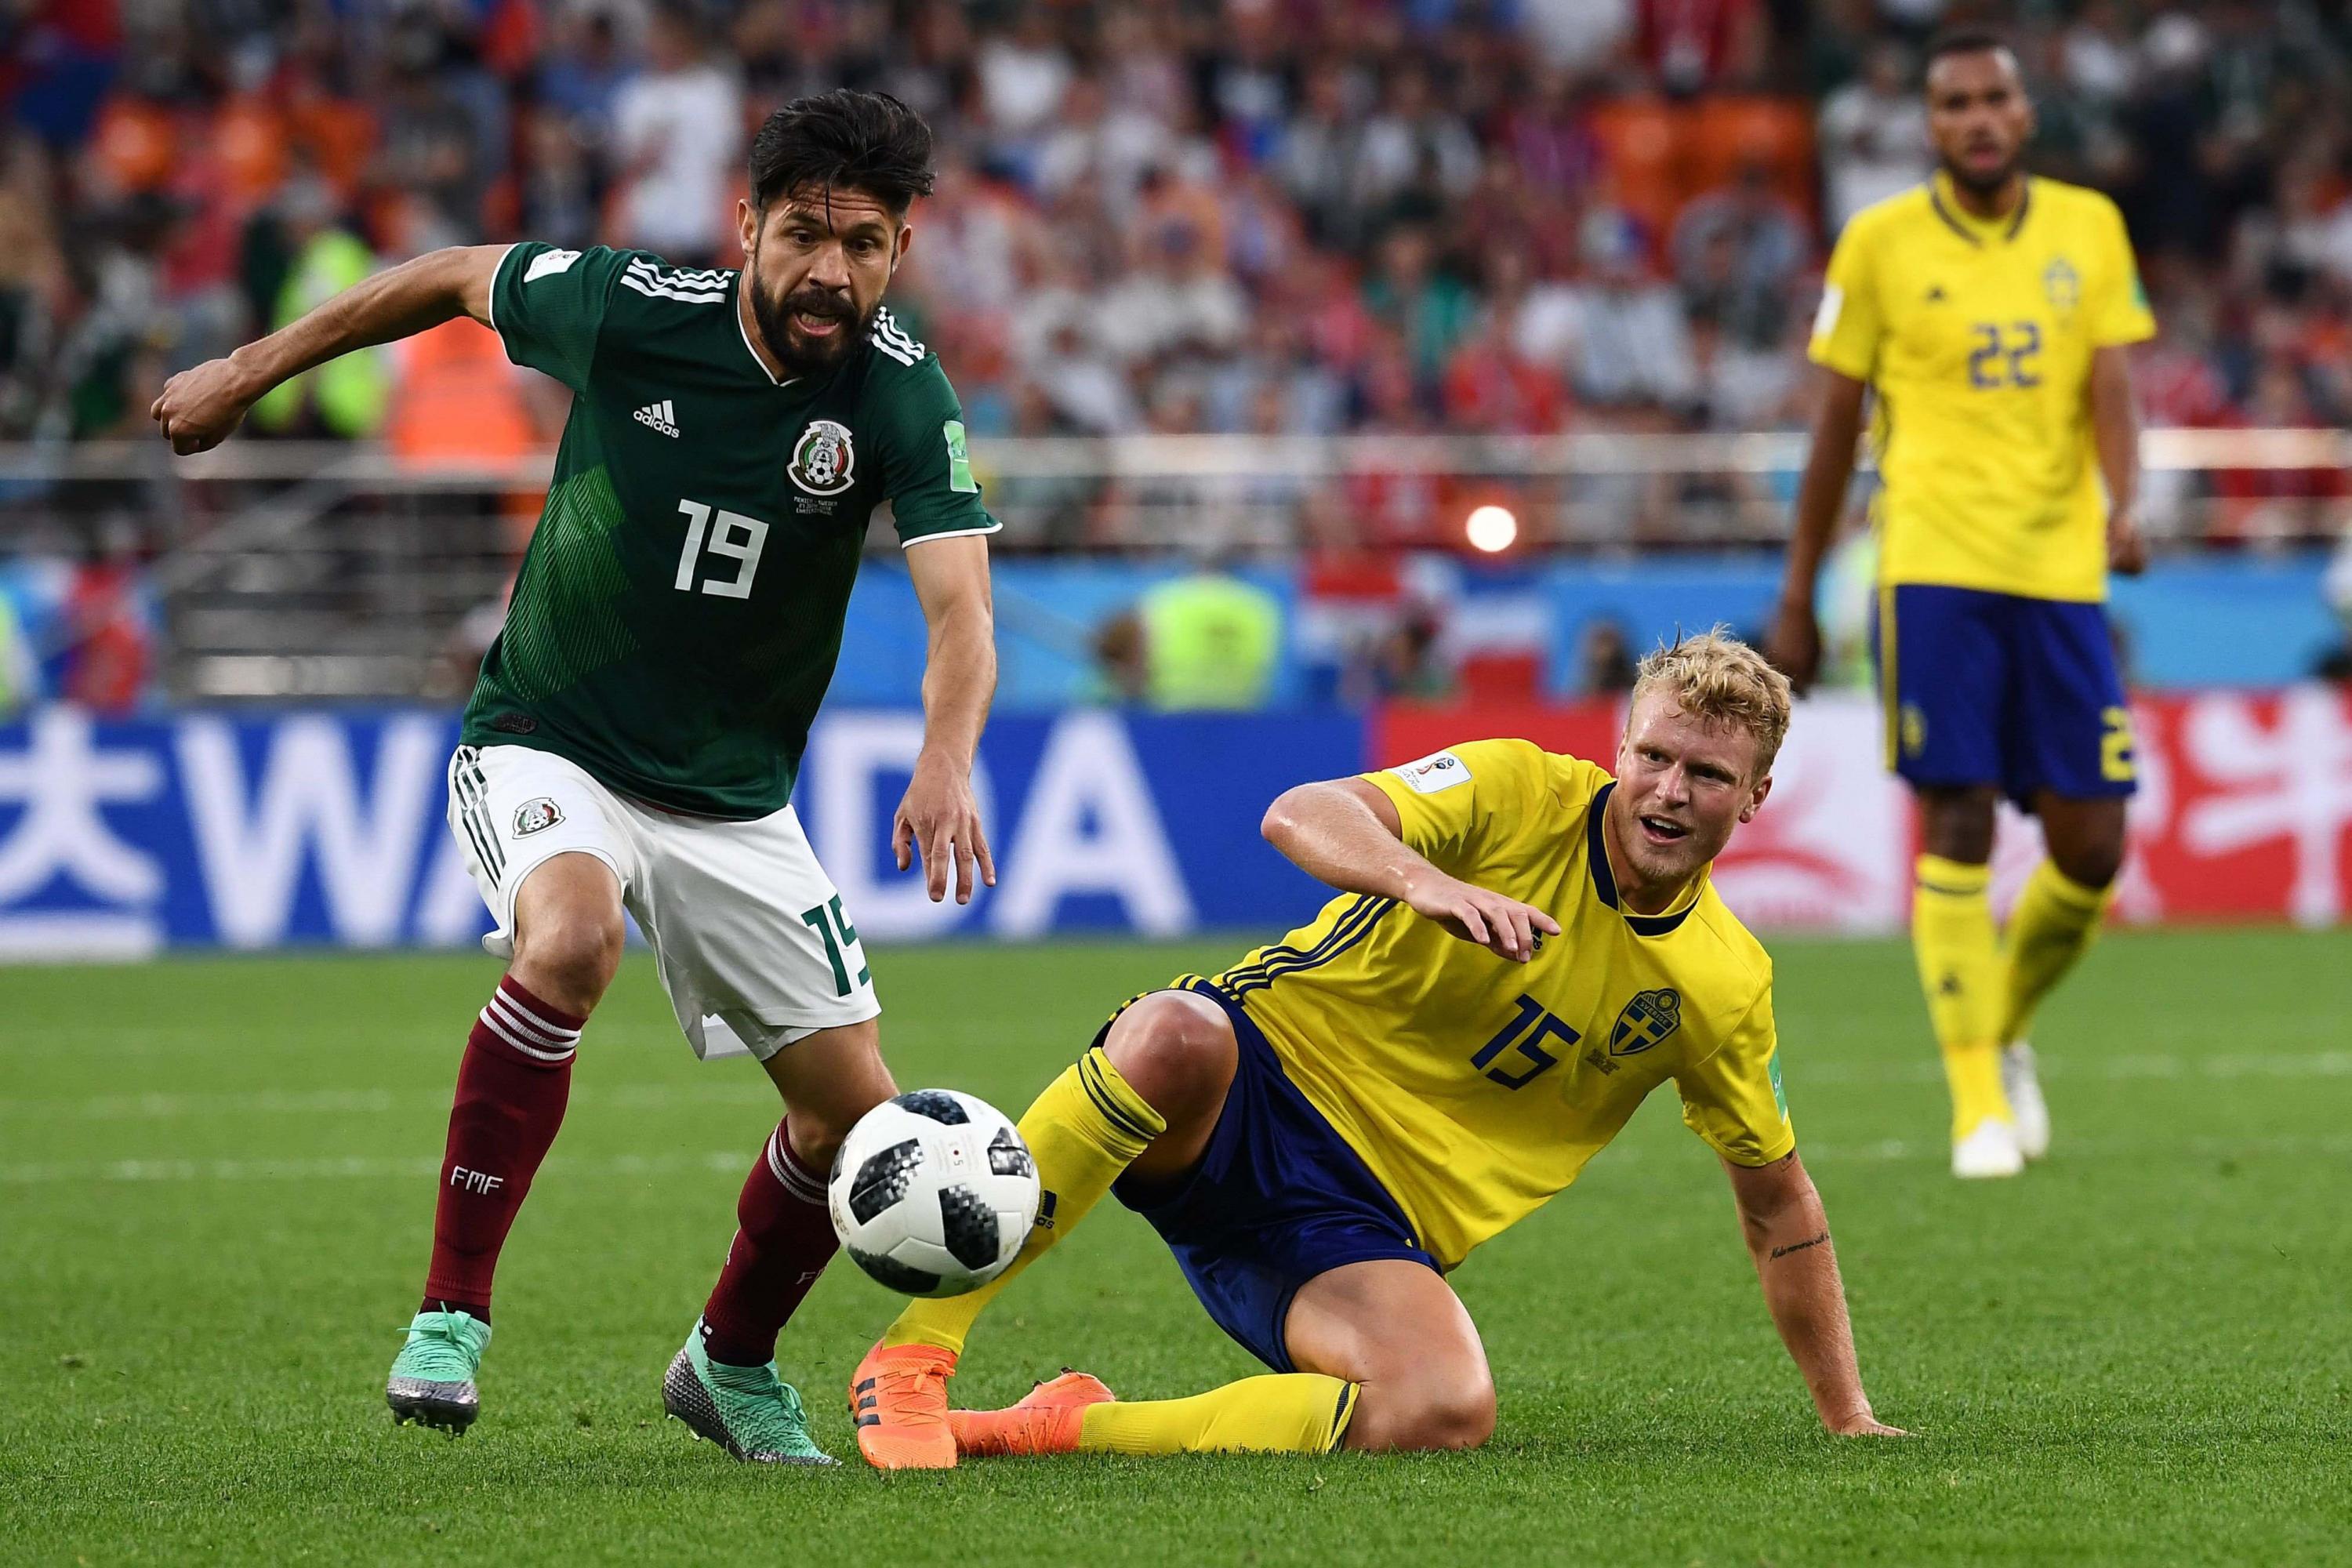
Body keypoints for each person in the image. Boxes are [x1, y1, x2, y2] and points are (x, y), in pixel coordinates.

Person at [151, 91, 1000, 1466]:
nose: (828, 273)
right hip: (552, 730)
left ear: (903, 246)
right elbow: (440, 279)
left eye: (862, 243)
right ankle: (450, 1318)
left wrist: (946, 756)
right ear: (747, 227)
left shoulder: (901, 389)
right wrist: (249, 371)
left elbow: (962, 612)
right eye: (801, 235)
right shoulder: (633, 305)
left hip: (730, 793)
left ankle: (726, 1366)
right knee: (570, 938)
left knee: (857, 1122)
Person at [848, 631, 1904, 1468]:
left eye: (1709, 776)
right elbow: (1300, 813)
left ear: (1756, 798)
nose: (1671, 792)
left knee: (1443, 1408)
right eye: (1657, 758)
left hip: (1354, 1225)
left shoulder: (1723, 984)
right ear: (1619, 750)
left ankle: (1042, 1429)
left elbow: (1780, 1203)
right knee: (1170, 1029)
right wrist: (1423, 881)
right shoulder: (1513, 791)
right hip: (1253, 1084)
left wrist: (1847, 1413)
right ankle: (911, 1359)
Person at [1766, 31, 2154, 1181]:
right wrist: (1798, 589)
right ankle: (1977, 1101)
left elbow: (2114, 385)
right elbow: (1837, 424)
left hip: (2060, 572)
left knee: (2093, 846)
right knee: (1960, 822)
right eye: (1955, 104)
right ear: (1929, 126)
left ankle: (2004, 1024)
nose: (1977, 119)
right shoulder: (1880, 242)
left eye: (1994, 99)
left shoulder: (2090, 227)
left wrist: (2125, 506)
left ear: (2026, 115)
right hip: (1931, 566)